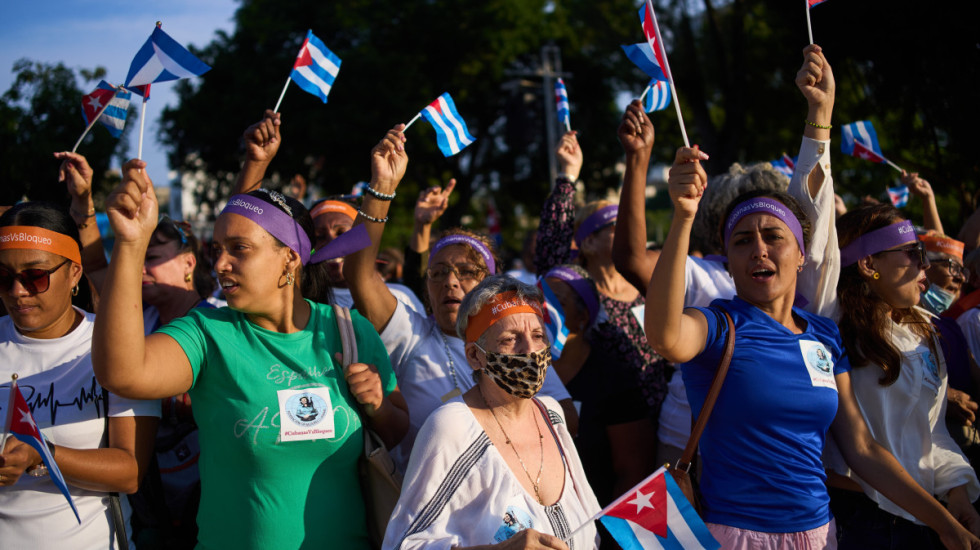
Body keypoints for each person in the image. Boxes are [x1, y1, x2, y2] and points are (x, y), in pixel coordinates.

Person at [645, 44, 980, 549]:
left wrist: (944, 524)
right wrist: (684, 216)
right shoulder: (718, 327)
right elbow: (665, 335)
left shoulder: (824, 334)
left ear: (802, 257)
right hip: (735, 536)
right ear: (727, 261)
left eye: (773, 237)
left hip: (821, 537)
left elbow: (862, 449)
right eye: (742, 240)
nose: (759, 249)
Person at [91, 159, 409, 550]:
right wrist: (130, 245)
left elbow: (395, 433)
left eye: (238, 249)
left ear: (290, 258)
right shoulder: (207, 333)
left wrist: (376, 404)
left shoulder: (350, 330)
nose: (221, 264)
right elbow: (121, 373)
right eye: (218, 249)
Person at [781, 45, 980, 548]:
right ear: (867, 265)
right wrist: (819, 119)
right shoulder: (834, 316)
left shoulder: (921, 326)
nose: (926, 266)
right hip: (865, 524)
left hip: (933, 521)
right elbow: (812, 220)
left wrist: (956, 490)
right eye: (911, 253)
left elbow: (930, 432)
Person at [343, 125, 573, 472]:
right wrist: (383, 188)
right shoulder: (410, 333)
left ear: (490, 282)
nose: (450, 282)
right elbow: (359, 273)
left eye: (467, 271)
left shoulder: (523, 347)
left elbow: (566, 423)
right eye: (438, 273)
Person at [383, 275, 600, 549]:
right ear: (475, 356)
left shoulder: (551, 414)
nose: (530, 351)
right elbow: (403, 544)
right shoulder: (452, 428)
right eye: (511, 339)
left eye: (537, 336)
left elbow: (591, 526)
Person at [0, 201, 159, 548]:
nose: (17, 292)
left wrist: (42, 454)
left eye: (34, 276)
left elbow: (130, 471)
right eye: (3, 277)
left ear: (74, 273)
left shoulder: (114, 346)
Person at [535, 130, 669, 423]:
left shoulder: (648, 285)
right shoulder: (574, 293)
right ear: (588, 243)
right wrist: (567, 176)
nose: (627, 231)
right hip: (609, 422)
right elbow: (550, 249)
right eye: (614, 226)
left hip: (664, 419)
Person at [543, 263, 656, 507]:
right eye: (538, 300)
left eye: (557, 302)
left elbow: (632, 472)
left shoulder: (614, 378)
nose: (543, 310)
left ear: (583, 317)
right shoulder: (522, 371)